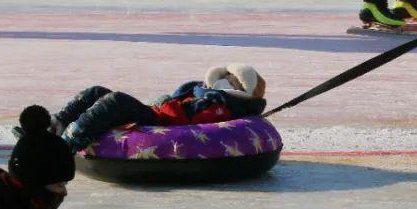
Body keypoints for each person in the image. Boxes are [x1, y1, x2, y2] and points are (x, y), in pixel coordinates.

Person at [49, 65, 266, 151]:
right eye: (226, 76)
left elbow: (190, 118)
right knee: (97, 92)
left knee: (115, 101)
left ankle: (68, 144)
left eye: (232, 81)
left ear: (243, 91)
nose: (225, 81)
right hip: (158, 113)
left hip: (162, 121)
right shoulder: (205, 93)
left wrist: (165, 104)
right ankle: (56, 125)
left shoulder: (223, 106)